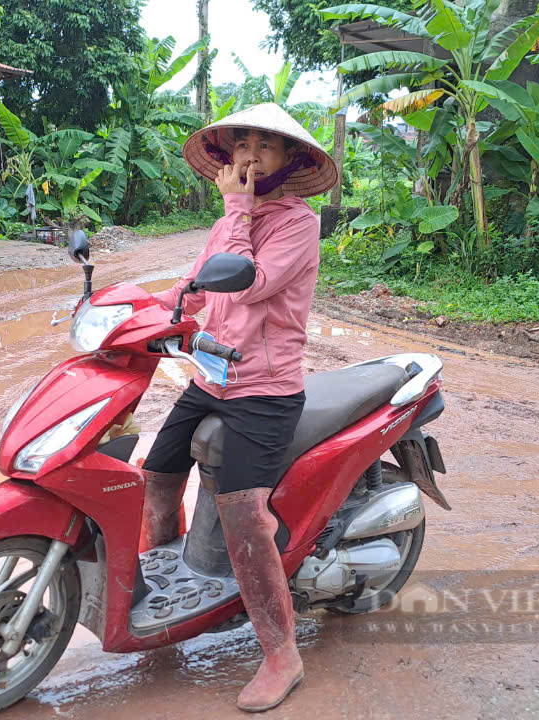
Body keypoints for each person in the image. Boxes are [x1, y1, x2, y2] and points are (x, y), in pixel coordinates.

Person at [138, 103, 338, 713]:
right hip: (214, 376)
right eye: (242, 142)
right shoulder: (233, 220)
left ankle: (283, 655)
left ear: (291, 161)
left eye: (266, 146)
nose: (250, 155)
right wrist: (143, 315)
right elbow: (196, 285)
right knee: (157, 471)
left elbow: (246, 281)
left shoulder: (298, 224)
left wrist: (236, 210)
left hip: (266, 391)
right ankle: (164, 587)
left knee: (244, 515)